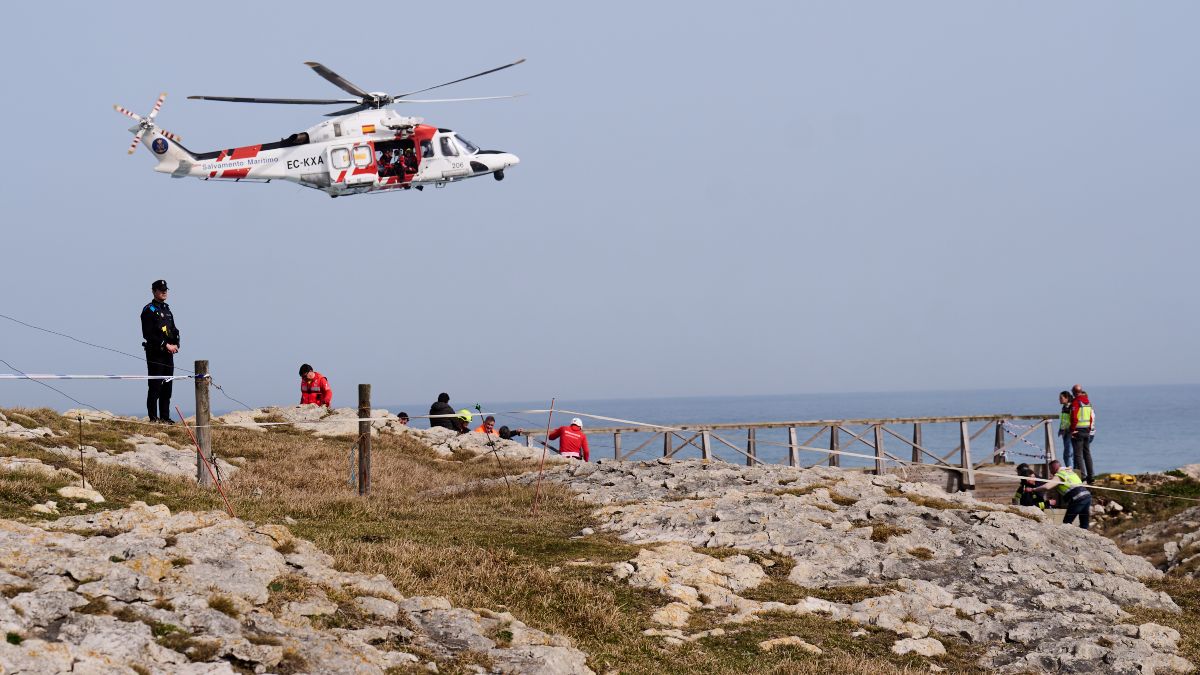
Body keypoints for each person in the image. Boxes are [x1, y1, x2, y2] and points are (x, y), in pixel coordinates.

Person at [140, 279, 180, 424]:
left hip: (168, 354)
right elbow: (148, 334)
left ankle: (165, 417)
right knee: (155, 386)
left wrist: (176, 344)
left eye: (165, 289)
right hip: (155, 353)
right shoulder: (148, 310)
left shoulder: (167, 309)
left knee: (167, 386)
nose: (164, 292)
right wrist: (165, 345)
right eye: (160, 289)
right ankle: (153, 418)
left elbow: (174, 330)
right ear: (154, 291)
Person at [1034, 459, 1093, 529]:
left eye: (1050, 469)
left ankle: (1068, 538)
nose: (1050, 472)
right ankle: (1084, 538)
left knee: (1067, 522)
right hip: (1087, 496)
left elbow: (1047, 487)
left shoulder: (1059, 475)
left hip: (1077, 498)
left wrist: (1034, 489)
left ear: (1054, 468)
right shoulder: (1069, 472)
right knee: (1084, 523)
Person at [1069, 384, 1096, 484]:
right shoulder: (1087, 401)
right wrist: (1089, 428)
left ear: (1074, 392)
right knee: (1087, 453)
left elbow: (1074, 417)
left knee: (1078, 455)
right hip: (1086, 430)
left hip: (1078, 431)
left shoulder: (1076, 402)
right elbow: (1090, 417)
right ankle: (1091, 476)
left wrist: (1072, 430)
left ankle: (1083, 477)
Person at [1058, 391, 1074, 470]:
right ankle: (1072, 470)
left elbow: (1072, 419)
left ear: (1067, 398)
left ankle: (1071, 471)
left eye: (1061, 398)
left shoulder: (1071, 407)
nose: (1059, 400)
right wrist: (1060, 429)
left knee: (1068, 454)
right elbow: (1064, 419)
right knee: (1068, 453)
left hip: (1070, 432)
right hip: (1065, 432)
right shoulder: (1064, 407)